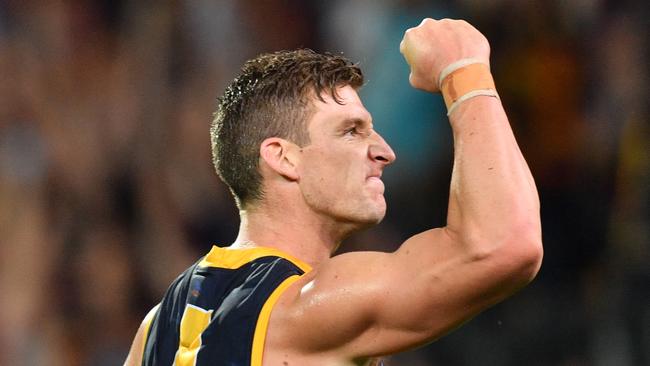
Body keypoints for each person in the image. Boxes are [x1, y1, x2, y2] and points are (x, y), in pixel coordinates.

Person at [124, 18, 543, 366]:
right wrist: (463, 69)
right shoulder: (311, 304)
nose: (384, 151)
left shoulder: (157, 326)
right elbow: (506, 245)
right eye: (351, 131)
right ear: (283, 158)